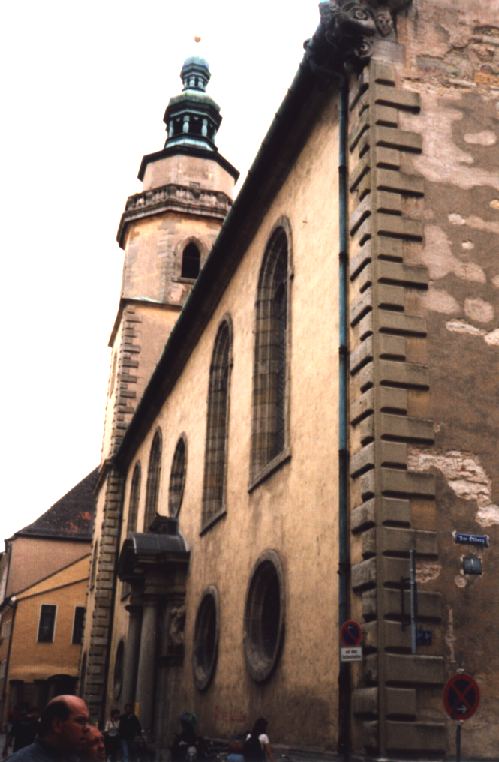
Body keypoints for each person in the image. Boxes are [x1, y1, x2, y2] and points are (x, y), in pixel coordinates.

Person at [6, 694, 90, 761]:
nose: (87, 728)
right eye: (80, 721)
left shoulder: (74, 758)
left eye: (87, 722)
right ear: (57, 724)